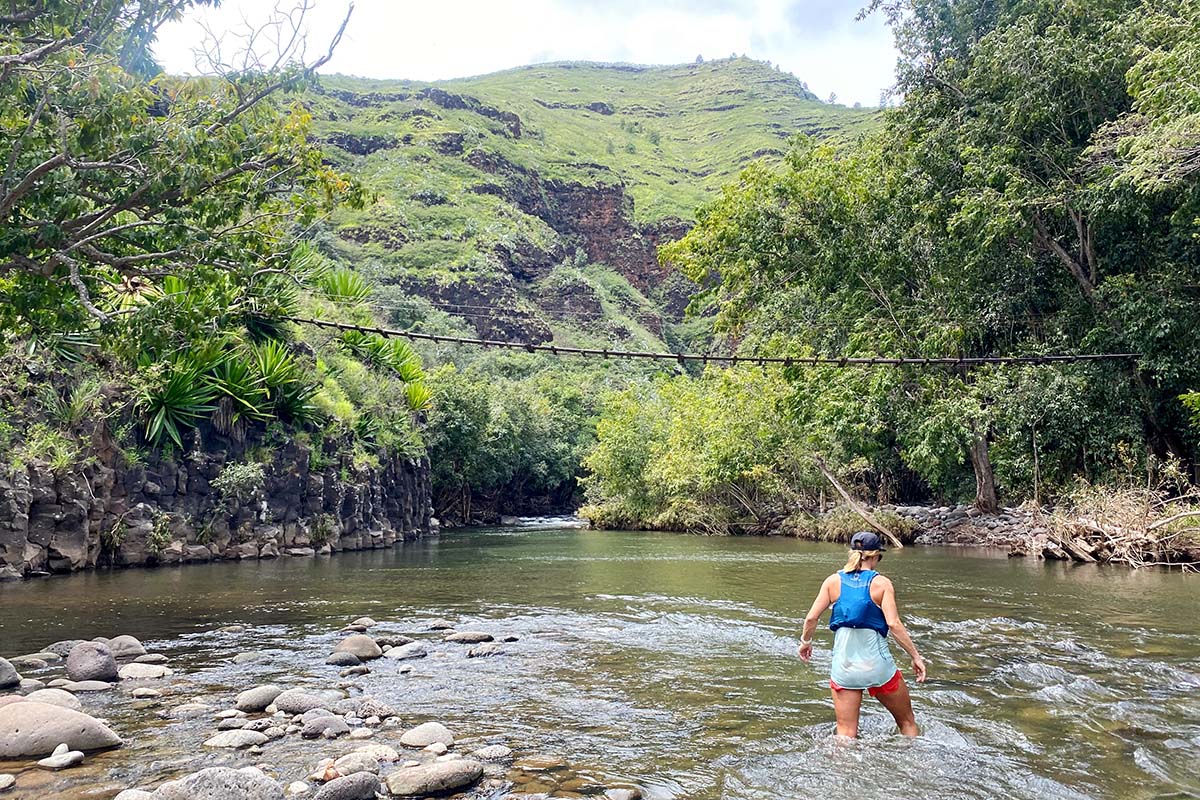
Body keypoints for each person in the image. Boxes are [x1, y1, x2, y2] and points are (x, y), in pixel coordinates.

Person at [797, 531, 927, 738]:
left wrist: (806, 642)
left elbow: (811, 618)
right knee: (907, 722)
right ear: (875, 556)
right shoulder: (882, 584)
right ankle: (919, 762)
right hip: (878, 667)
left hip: (844, 668)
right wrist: (915, 656)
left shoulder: (832, 581)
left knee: (846, 733)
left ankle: (843, 769)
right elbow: (893, 624)